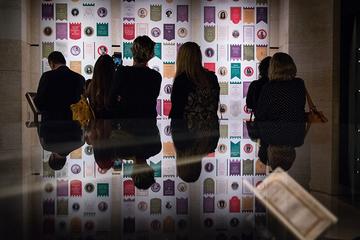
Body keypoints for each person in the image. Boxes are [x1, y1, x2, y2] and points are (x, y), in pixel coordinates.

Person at [110, 35, 162, 118]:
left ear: (132, 51)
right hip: (148, 125)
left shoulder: (122, 72)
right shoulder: (155, 76)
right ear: (151, 54)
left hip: (126, 125)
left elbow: (111, 100)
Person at [169, 42, 220, 124]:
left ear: (181, 58)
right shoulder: (212, 77)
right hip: (210, 130)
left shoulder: (181, 80)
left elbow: (177, 111)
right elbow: (214, 106)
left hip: (187, 132)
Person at [255, 52, 305, 122]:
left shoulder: (269, 87)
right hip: (296, 130)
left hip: (274, 130)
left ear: (272, 68)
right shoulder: (299, 83)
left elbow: (260, 114)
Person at [34, 51, 85, 121]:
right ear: (64, 62)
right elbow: (81, 101)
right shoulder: (80, 78)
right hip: (73, 123)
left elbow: (39, 100)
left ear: (52, 63)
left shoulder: (47, 76)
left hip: (50, 123)